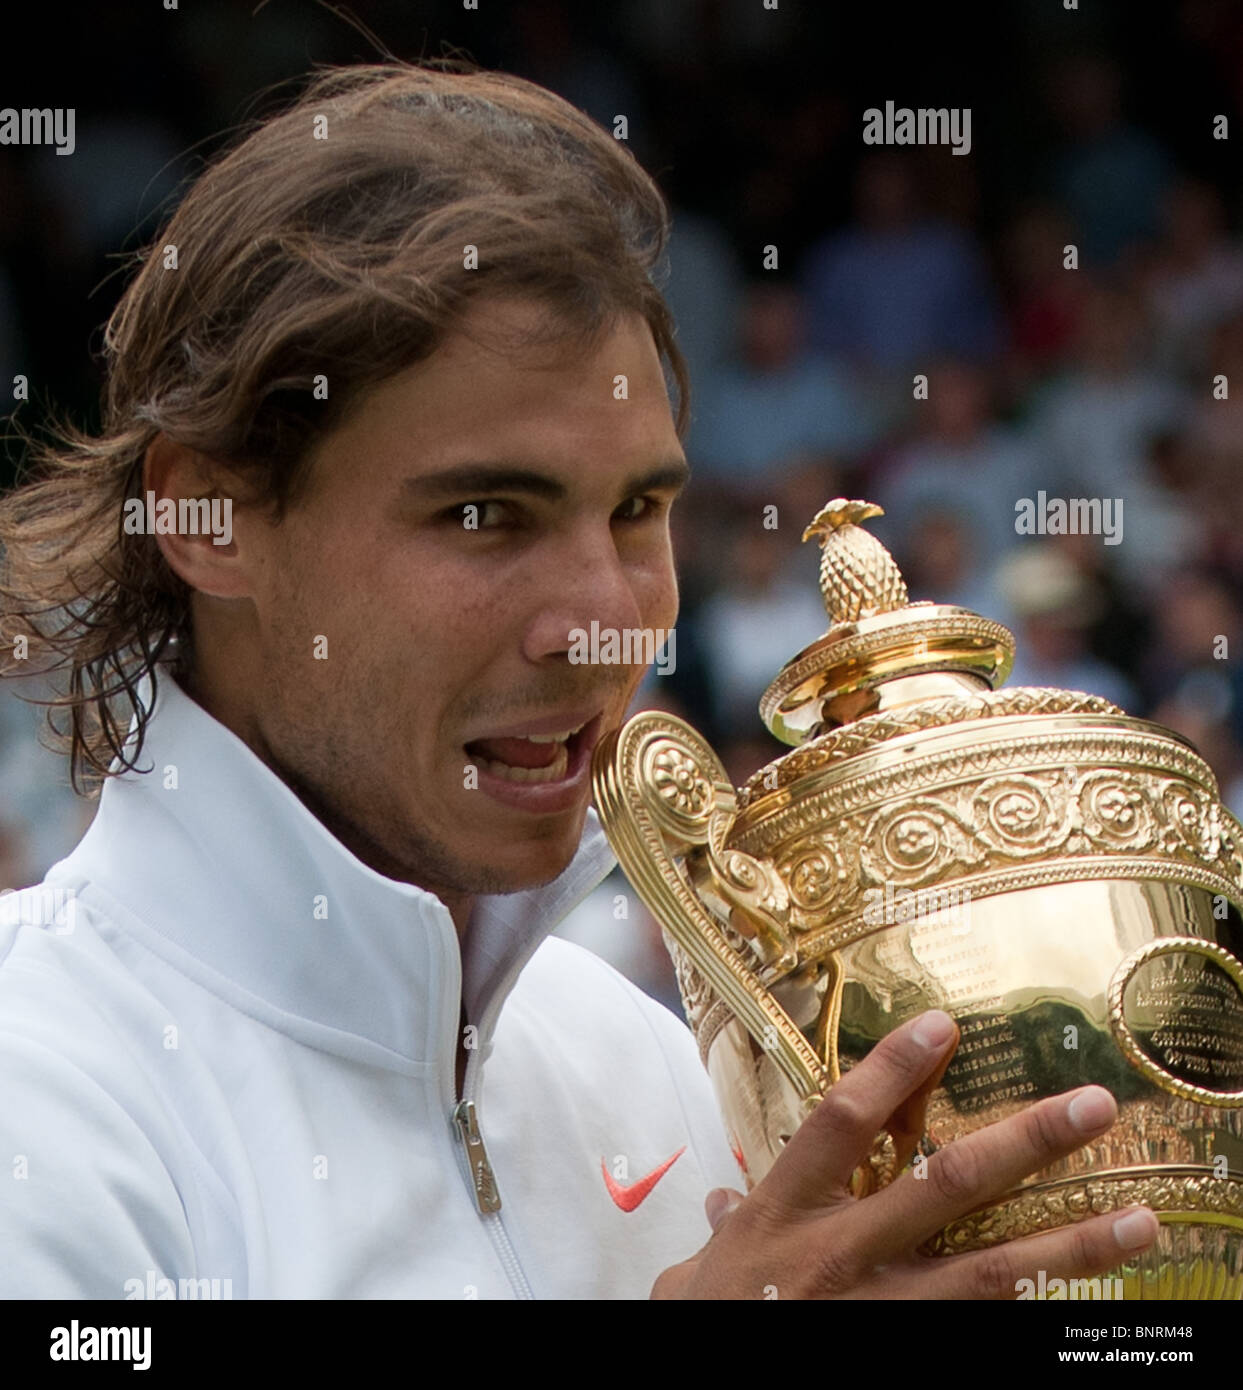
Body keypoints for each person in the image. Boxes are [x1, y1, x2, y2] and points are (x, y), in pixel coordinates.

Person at [0, 60, 1157, 1300]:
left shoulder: (635, 1055)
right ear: (210, 517)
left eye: (640, 510)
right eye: (486, 513)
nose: (608, 625)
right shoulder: (43, 1088)